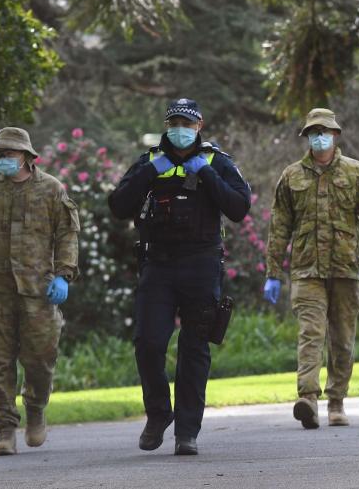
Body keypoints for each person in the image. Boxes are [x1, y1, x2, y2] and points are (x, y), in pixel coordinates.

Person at [108, 98, 251, 456]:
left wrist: (206, 172)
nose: (180, 129)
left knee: (194, 348)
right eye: (174, 122)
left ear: (199, 126)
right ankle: (159, 414)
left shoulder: (217, 161)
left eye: (187, 123)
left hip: (201, 265)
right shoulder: (150, 160)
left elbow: (239, 208)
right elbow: (117, 206)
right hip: (157, 264)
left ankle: (187, 432)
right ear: (166, 123)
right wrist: (148, 171)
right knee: (149, 342)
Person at [0, 127, 80, 456]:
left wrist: (63, 274)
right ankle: (5, 429)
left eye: (10, 154)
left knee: (39, 359)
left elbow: (67, 234)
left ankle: (35, 410)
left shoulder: (51, 189)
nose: (4, 159)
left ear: (26, 156)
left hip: (38, 290)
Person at [263, 108, 359, 429]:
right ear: (306, 137)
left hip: (346, 268)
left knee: (342, 338)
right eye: (314, 132)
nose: (320, 137)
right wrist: (273, 272)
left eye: (325, 131)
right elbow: (279, 226)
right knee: (311, 333)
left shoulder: (356, 173)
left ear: (335, 135)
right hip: (307, 271)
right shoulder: (292, 176)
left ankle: (336, 401)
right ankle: (308, 398)